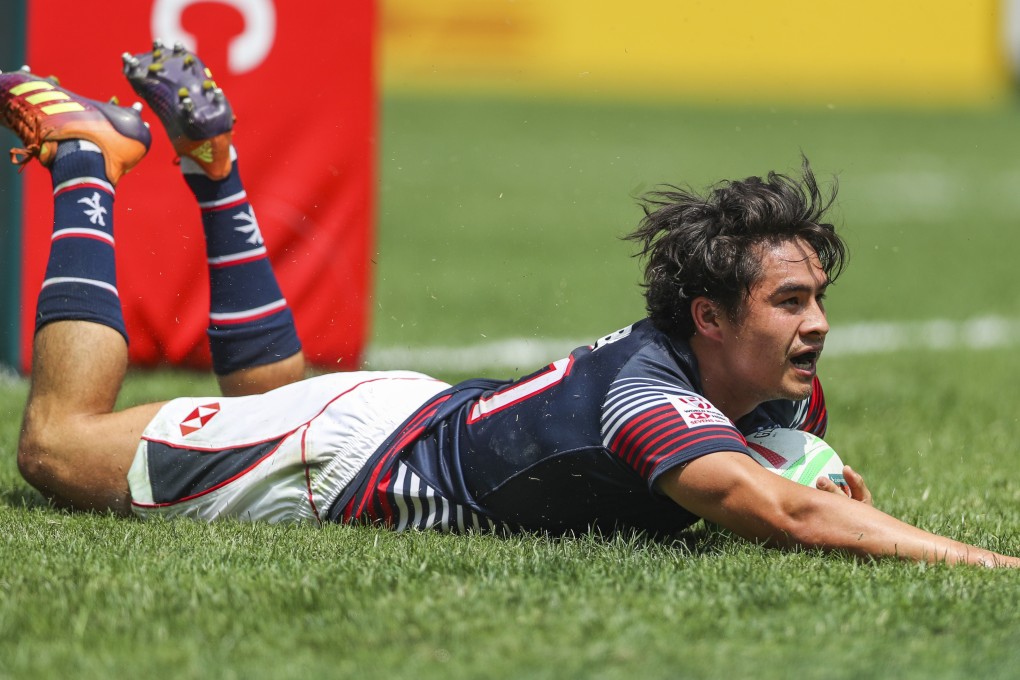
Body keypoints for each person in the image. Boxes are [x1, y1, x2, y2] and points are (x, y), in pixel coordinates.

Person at [4, 42, 1017, 567]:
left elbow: (801, 486)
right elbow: (786, 511)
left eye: (818, 299)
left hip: (400, 413)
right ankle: (90, 160)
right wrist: (988, 561)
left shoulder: (777, 388)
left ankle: (217, 171)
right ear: (709, 317)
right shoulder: (648, 399)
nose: (818, 324)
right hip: (347, 459)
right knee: (57, 444)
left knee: (264, 400)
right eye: (789, 300)